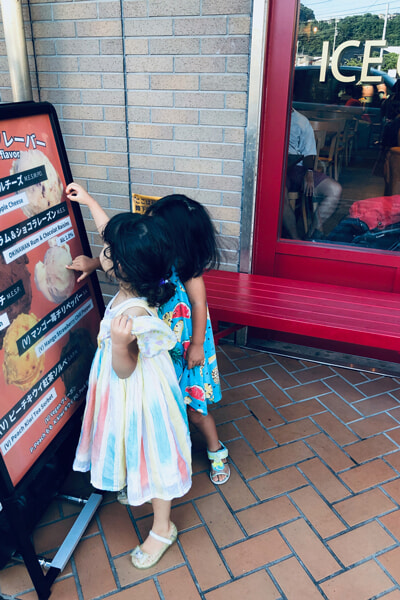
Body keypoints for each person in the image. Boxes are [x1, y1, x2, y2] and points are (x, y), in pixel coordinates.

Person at [66, 183, 192, 570]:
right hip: (127, 392)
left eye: (109, 253)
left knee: (152, 452)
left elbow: (126, 370)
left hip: (136, 391)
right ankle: (134, 481)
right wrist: (89, 201)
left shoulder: (135, 316)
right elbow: (110, 235)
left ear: (123, 269)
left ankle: (163, 527)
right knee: (131, 444)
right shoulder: (137, 276)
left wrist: (120, 346)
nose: (103, 253)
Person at [67, 194, 230, 486]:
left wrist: (196, 345)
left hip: (186, 347)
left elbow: (199, 305)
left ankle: (216, 449)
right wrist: (94, 256)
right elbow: (118, 245)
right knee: (167, 405)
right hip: (158, 349)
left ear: (173, 236)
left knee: (195, 410)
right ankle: (171, 450)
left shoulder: (186, 267)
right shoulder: (148, 258)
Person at [283, 109, 342, 240]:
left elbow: (309, 151)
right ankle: (295, 240)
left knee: (335, 190)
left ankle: (311, 234)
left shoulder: (301, 120)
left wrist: (309, 172)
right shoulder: (268, 116)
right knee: (280, 195)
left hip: (298, 168)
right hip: (276, 169)